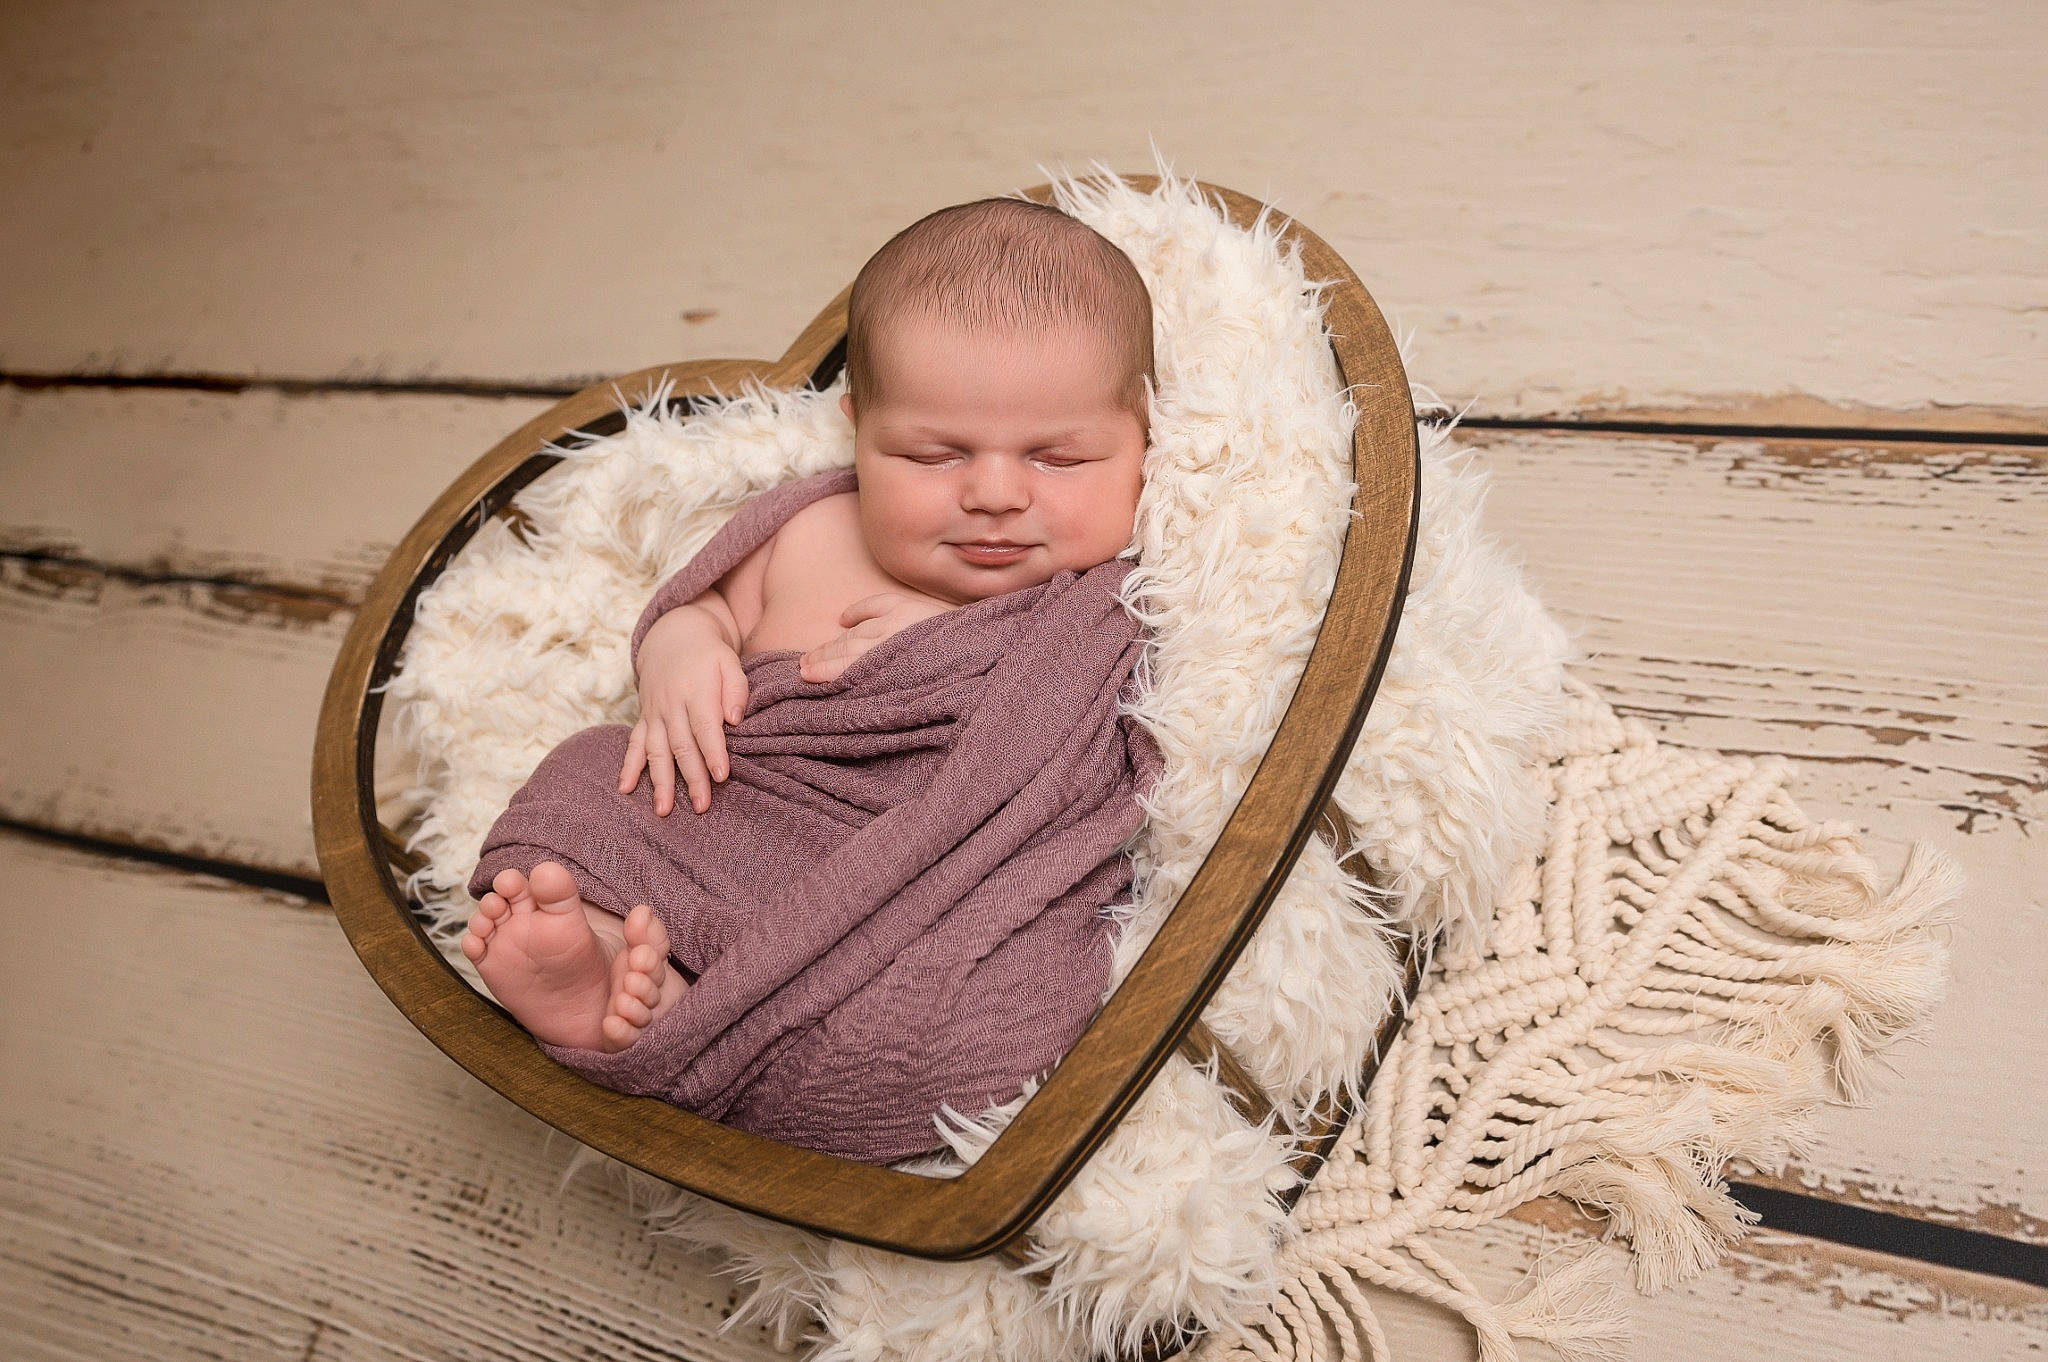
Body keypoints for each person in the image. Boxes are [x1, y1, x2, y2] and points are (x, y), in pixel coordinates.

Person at [457, 196, 1157, 1071]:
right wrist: (682, 648)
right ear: (858, 430)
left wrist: (979, 653)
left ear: (1144, 436)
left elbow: (1103, 759)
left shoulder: (1105, 603)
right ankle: (608, 955)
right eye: (933, 455)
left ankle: (695, 1009)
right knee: (591, 772)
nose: (994, 495)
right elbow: (706, 609)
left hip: (930, 894)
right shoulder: (810, 528)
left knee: (998, 987)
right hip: (736, 822)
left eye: (1057, 458)